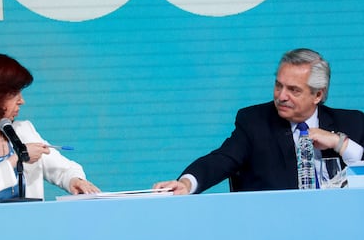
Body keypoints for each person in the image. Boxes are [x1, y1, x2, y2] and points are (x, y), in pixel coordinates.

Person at [153, 48, 364, 194]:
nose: (281, 96)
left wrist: (340, 144)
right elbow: (221, 159)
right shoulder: (255, 123)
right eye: (278, 85)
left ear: (318, 95)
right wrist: (187, 183)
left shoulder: (351, 122)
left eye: (293, 90)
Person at [0, 50, 100, 204]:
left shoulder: (23, 130)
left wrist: (74, 180)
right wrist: (15, 160)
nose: (22, 101)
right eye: (14, 93)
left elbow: (64, 169)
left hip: (27, 225)